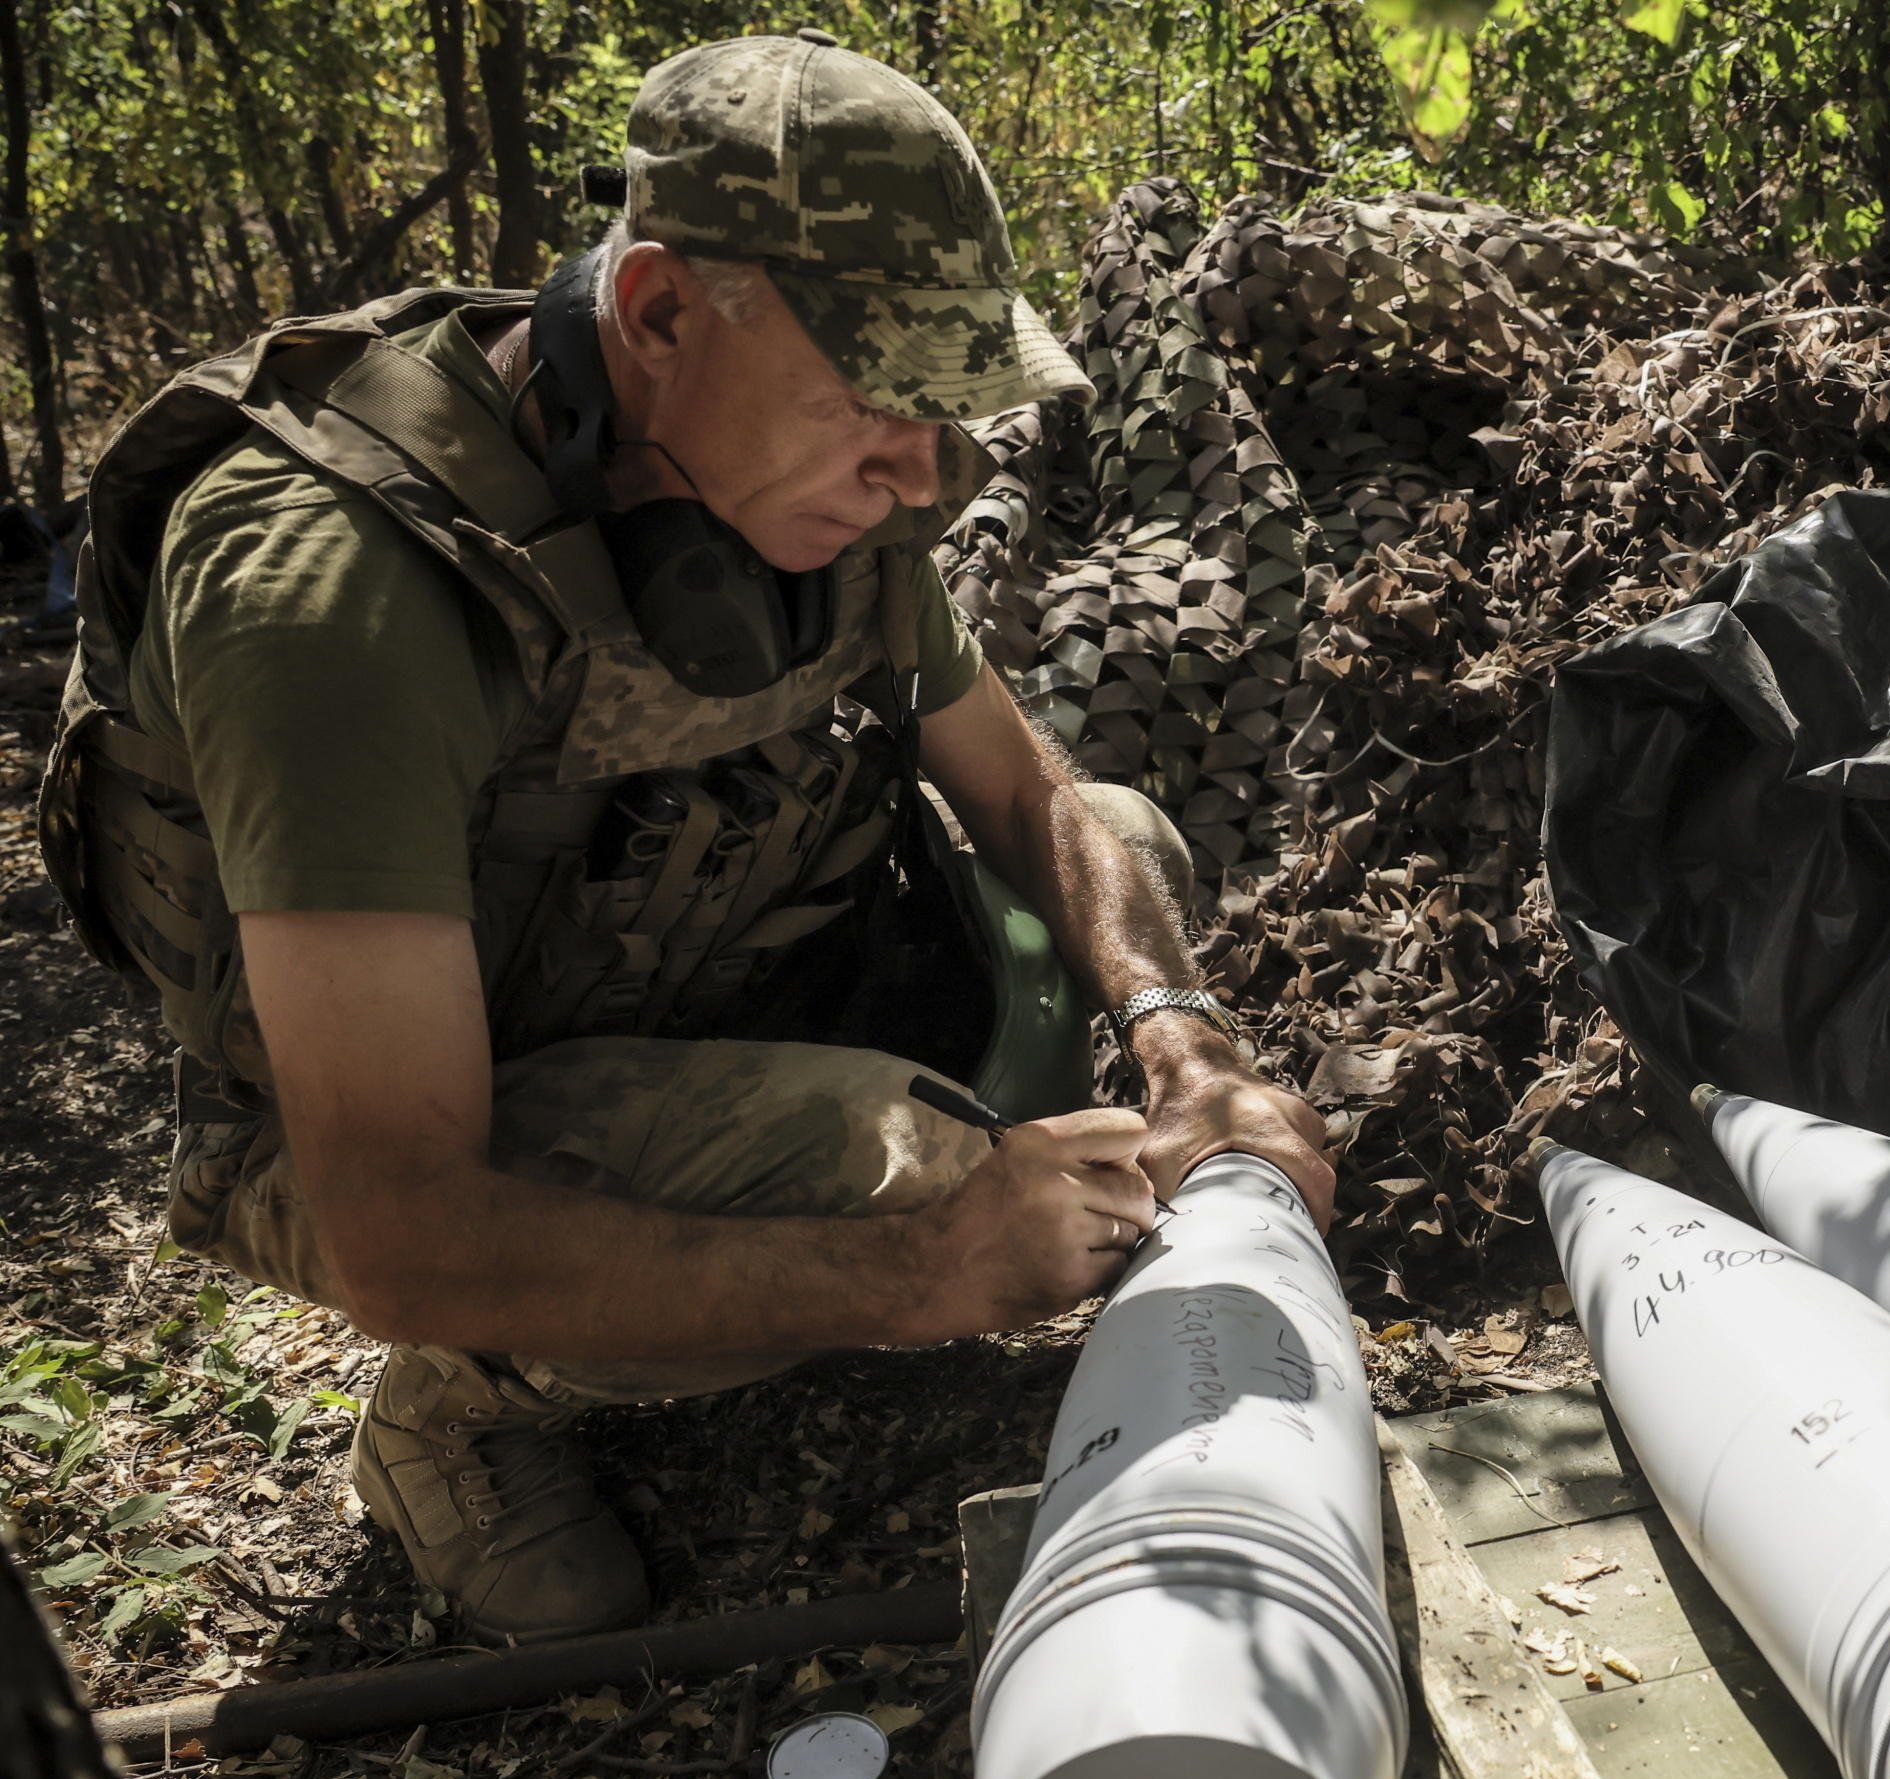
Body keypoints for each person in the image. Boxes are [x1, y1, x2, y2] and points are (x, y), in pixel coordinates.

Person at [39, 30, 1331, 1643]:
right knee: (899, 1177)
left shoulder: (816, 481)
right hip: (394, 1119)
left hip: (700, 967)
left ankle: (752, 1203)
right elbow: (396, 1212)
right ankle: (458, 1410)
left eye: (946, 408)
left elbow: (1032, 796)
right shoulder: (340, 584)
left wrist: (1179, 1035)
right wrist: (920, 1271)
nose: (922, 471)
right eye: (875, 398)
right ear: (653, 312)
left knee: (1129, 846)